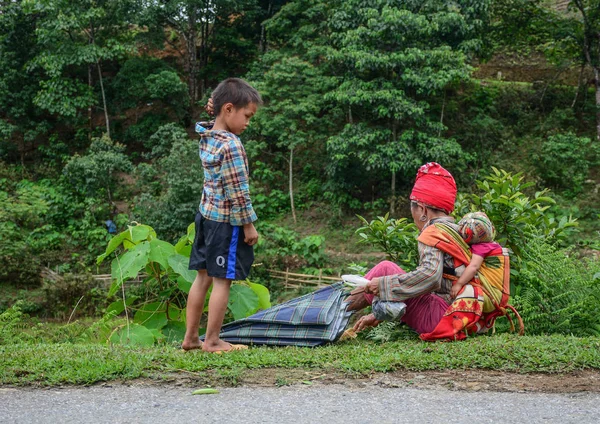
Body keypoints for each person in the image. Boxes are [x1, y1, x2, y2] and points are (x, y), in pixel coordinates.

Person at [348, 162, 482, 338]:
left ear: (422, 209)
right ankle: (334, 310)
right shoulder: (457, 231)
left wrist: (381, 285)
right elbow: (439, 282)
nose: (414, 218)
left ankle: (331, 313)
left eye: (413, 210)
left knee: (385, 269)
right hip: (465, 318)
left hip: (443, 318)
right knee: (389, 275)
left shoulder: (433, 232)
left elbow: (430, 276)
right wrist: (378, 314)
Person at [181, 78, 262, 353]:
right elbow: (238, 193)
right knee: (222, 280)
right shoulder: (232, 145)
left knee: (201, 278)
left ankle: (191, 338)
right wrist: (249, 227)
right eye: (247, 116)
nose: (248, 123)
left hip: (205, 217)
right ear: (228, 109)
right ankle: (212, 341)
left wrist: (213, 108)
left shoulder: (207, 135)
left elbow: (208, 119)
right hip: (226, 223)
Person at [450, 211, 501, 299]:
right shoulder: (492, 244)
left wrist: (459, 284)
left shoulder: (481, 247)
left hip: (489, 291)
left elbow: (474, 267)